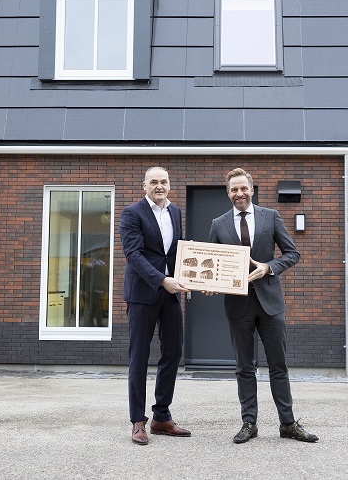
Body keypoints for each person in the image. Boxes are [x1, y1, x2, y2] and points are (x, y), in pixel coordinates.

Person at [208, 167, 318, 444]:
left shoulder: (271, 217)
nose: (239, 193)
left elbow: (293, 253)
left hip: (270, 303)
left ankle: (288, 423)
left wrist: (269, 267)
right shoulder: (218, 224)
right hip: (237, 305)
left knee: (278, 365)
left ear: (252, 190)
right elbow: (213, 263)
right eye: (234, 189)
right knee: (244, 367)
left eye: (243, 188)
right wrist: (210, 282)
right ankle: (249, 423)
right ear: (228, 193)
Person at [119, 166, 191, 445]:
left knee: (173, 352)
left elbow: (177, 251)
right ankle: (138, 420)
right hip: (142, 294)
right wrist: (162, 280)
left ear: (169, 185)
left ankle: (161, 416)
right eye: (154, 182)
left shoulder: (174, 211)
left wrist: (195, 274)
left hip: (170, 294)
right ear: (144, 186)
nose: (159, 186)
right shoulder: (132, 213)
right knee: (139, 356)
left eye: (163, 182)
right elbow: (133, 255)